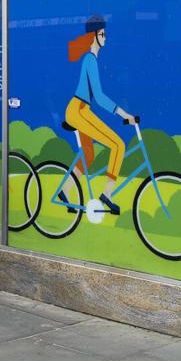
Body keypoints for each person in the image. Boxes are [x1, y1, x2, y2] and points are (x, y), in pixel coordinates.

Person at [64, 15, 137, 215]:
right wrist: (125, 114)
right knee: (118, 145)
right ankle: (107, 194)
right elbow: (99, 97)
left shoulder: (91, 60)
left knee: (89, 154)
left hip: (80, 109)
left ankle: (65, 190)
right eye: (102, 34)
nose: (105, 38)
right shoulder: (90, 60)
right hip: (78, 110)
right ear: (94, 36)